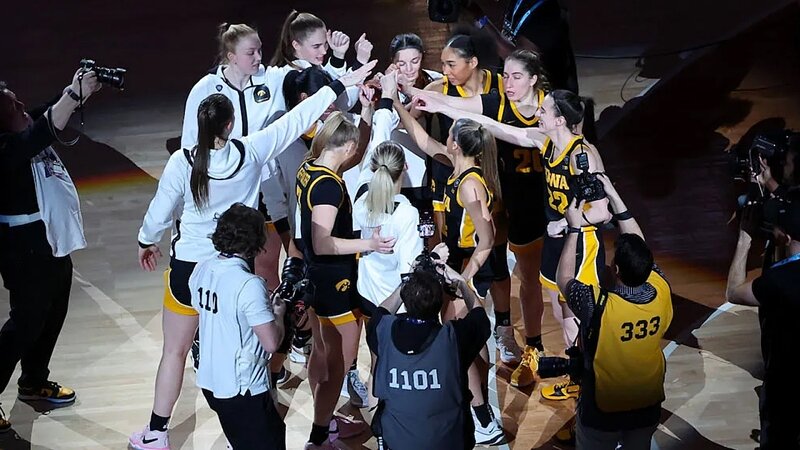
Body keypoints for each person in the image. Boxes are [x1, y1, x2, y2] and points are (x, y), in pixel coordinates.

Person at [129, 63, 374, 450]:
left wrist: (146, 240)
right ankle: (244, 432)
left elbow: (159, 213)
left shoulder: (181, 162)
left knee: (174, 351)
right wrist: (339, 84)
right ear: (229, 126)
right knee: (247, 351)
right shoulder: (251, 150)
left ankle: (157, 432)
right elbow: (297, 121)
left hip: (188, 269)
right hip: (233, 272)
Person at [416, 89, 610, 400]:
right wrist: (437, 104)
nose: (537, 114)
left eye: (544, 110)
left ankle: (595, 387)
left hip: (581, 243)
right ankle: (578, 379)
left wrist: (566, 223)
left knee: (579, 320)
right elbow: (494, 126)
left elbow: (602, 210)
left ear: (560, 120)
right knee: (563, 318)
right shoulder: (545, 142)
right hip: (556, 243)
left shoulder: (582, 154)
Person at [407, 49, 550, 386]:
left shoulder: (550, 110)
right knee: (497, 269)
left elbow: (513, 133)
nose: (508, 83)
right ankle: (508, 336)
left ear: (533, 79)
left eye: (516, 77)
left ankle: (534, 346)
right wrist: (408, 90)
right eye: (506, 75)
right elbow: (452, 103)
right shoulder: (497, 101)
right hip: (501, 200)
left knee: (534, 282)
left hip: (537, 206)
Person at [392, 81, 506, 445]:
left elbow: (487, 240)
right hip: (453, 261)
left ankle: (482, 415)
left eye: (451, 130)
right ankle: (481, 407)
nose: (446, 133)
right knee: (467, 339)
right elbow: (423, 140)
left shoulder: (471, 185)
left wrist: (463, 279)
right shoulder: (455, 164)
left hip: (466, 263)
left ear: (457, 144)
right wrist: (396, 102)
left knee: (461, 343)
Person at [0, 70, 102, 432]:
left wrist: (76, 91)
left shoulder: (20, 128)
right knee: (25, 323)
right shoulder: (6, 148)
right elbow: (40, 131)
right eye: (13, 106)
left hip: (49, 238)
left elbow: (43, 114)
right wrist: (73, 96)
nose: (22, 105)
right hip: (24, 248)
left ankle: (33, 380)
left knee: (54, 310)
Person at [295, 113, 396, 449]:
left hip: (315, 277)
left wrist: (365, 113)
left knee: (321, 353)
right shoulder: (328, 186)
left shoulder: (309, 168)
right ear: (349, 147)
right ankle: (320, 435)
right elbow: (323, 242)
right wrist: (370, 244)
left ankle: (323, 419)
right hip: (334, 283)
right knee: (336, 366)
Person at [555, 174, 671, 449]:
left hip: (603, 410)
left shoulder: (597, 304)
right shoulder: (661, 289)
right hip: (647, 405)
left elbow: (564, 279)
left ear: (616, 269)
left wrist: (574, 230)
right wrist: (615, 197)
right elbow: (640, 247)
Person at [190, 203, 287, 449]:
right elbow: (271, 342)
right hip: (243, 389)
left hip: (211, 381)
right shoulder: (249, 284)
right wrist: (279, 313)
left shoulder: (202, 268)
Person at [367, 266, 491, 450]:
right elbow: (480, 318)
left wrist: (405, 285)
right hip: (450, 443)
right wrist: (462, 284)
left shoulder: (382, 329)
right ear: (439, 304)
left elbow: (380, 312)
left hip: (396, 443)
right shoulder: (453, 338)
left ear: (406, 300)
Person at [726, 192, 800, 449]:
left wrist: (744, 241)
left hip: (785, 381)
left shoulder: (779, 280)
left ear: (785, 237)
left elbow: (734, 292)